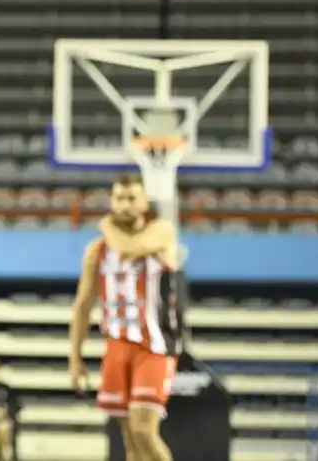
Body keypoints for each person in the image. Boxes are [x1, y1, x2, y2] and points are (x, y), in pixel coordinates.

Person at [69, 174, 182, 461]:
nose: (125, 205)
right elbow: (83, 304)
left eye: (132, 198)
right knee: (129, 438)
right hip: (117, 345)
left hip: (153, 345)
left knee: (143, 429)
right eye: (119, 198)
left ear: (145, 202)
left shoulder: (162, 232)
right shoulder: (97, 251)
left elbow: (130, 249)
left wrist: (106, 225)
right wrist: (75, 356)